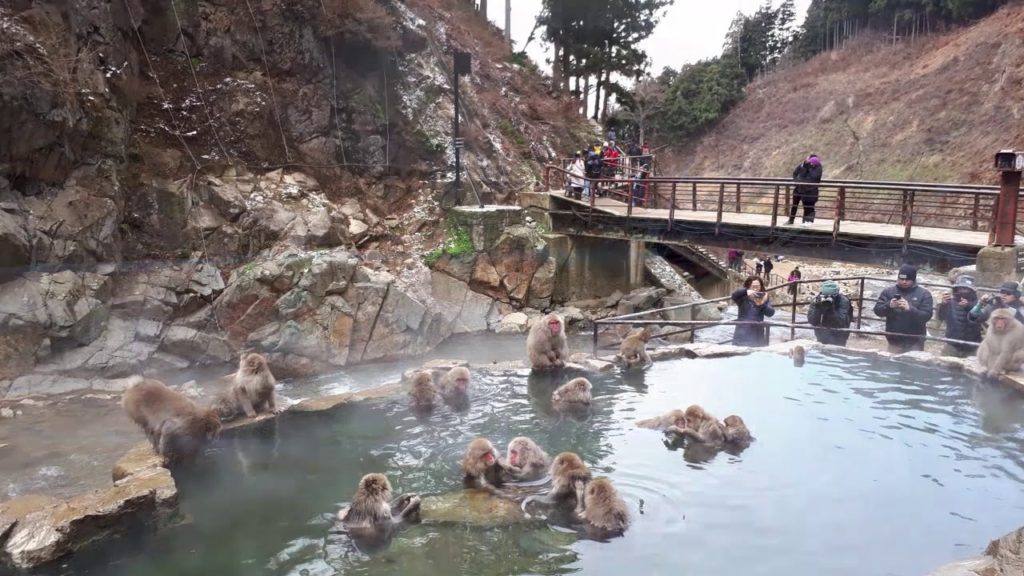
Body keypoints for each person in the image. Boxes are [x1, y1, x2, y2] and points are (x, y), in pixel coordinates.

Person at [873, 264, 934, 353]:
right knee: (891, 365)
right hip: (894, 341)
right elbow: (877, 311)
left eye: (907, 279)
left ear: (913, 280)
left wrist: (910, 309)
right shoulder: (888, 292)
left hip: (915, 341)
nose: (904, 282)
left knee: (912, 366)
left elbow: (927, 316)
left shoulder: (924, 294)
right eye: (901, 279)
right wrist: (889, 306)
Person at [938, 275, 982, 358]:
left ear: (971, 290)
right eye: (961, 288)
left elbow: (981, 318)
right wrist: (943, 305)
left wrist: (969, 306)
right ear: (956, 289)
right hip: (952, 343)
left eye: (966, 289)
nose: (963, 291)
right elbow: (940, 317)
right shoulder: (950, 302)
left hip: (972, 345)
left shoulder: (979, 304)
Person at [731, 276, 775, 347]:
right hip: (742, 334)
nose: (756, 289)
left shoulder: (763, 297)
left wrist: (762, 304)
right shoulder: (743, 297)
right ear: (748, 286)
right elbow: (734, 295)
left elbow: (771, 313)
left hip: (758, 334)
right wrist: (746, 291)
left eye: (758, 286)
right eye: (753, 286)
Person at [807, 280, 853, 346]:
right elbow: (812, 321)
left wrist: (832, 308)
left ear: (837, 294)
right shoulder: (817, 300)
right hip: (822, 334)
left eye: (832, 295)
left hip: (840, 334)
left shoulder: (843, 301)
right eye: (826, 295)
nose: (829, 297)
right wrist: (818, 308)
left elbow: (841, 322)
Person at [788, 154, 823, 225]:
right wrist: (796, 182)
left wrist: (808, 167)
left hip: (809, 190)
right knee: (794, 205)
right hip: (798, 188)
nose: (808, 161)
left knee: (807, 206)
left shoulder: (817, 167)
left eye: (809, 160)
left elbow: (814, 176)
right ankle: (791, 220)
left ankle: (806, 221)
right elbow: (796, 173)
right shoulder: (802, 165)